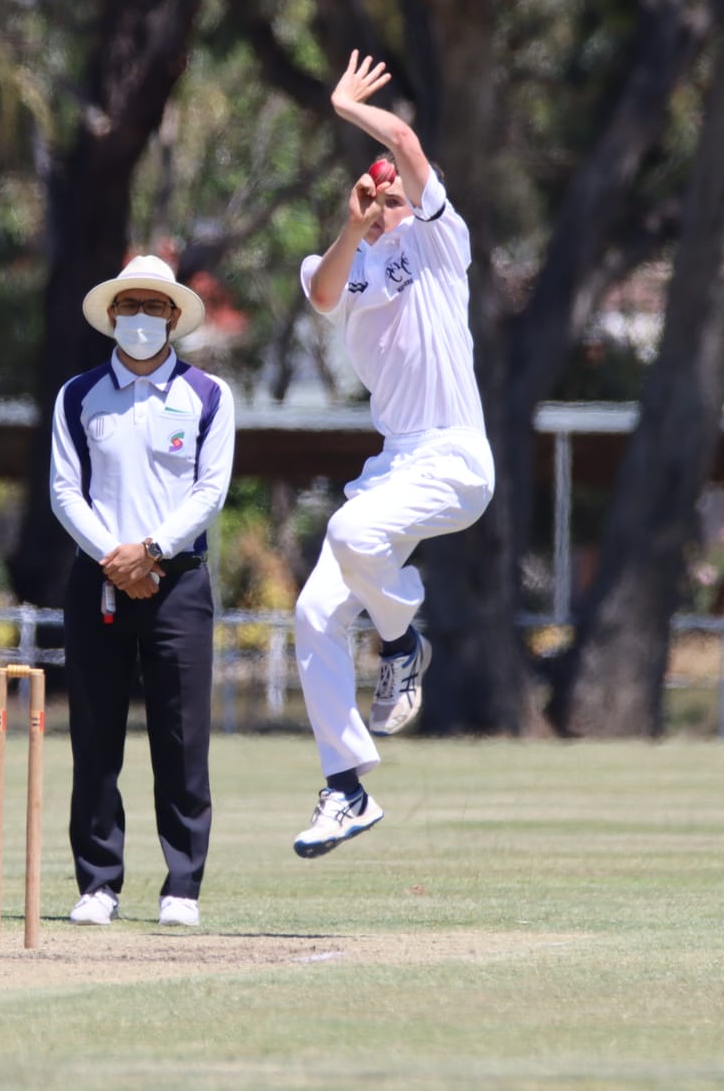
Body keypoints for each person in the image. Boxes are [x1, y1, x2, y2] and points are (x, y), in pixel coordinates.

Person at [289, 52, 495, 858]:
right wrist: (354, 224)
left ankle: (404, 643)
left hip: (453, 454)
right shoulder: (348, 261)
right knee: (311, 613)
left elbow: (405, 139)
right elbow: (323, 294)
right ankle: (345, 787)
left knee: (349, 533)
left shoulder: (446, 246)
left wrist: (345, 106)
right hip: (395, 464)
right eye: (380, 196)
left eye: (401, 194)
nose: (392, 202)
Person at [49, 255, 236, 927]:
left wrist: (151, 551)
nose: (141, 320)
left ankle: (181, 886)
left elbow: (210, 491)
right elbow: (64, 489)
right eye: (130, 307)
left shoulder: (208, 396)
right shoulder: (78, 395)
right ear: (113, 315)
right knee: (95, 735)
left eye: (155, 308)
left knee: (180, 740)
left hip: (177, 584)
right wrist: (115, 556)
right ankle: (98, 883)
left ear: (174, 318)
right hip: (98, 580)